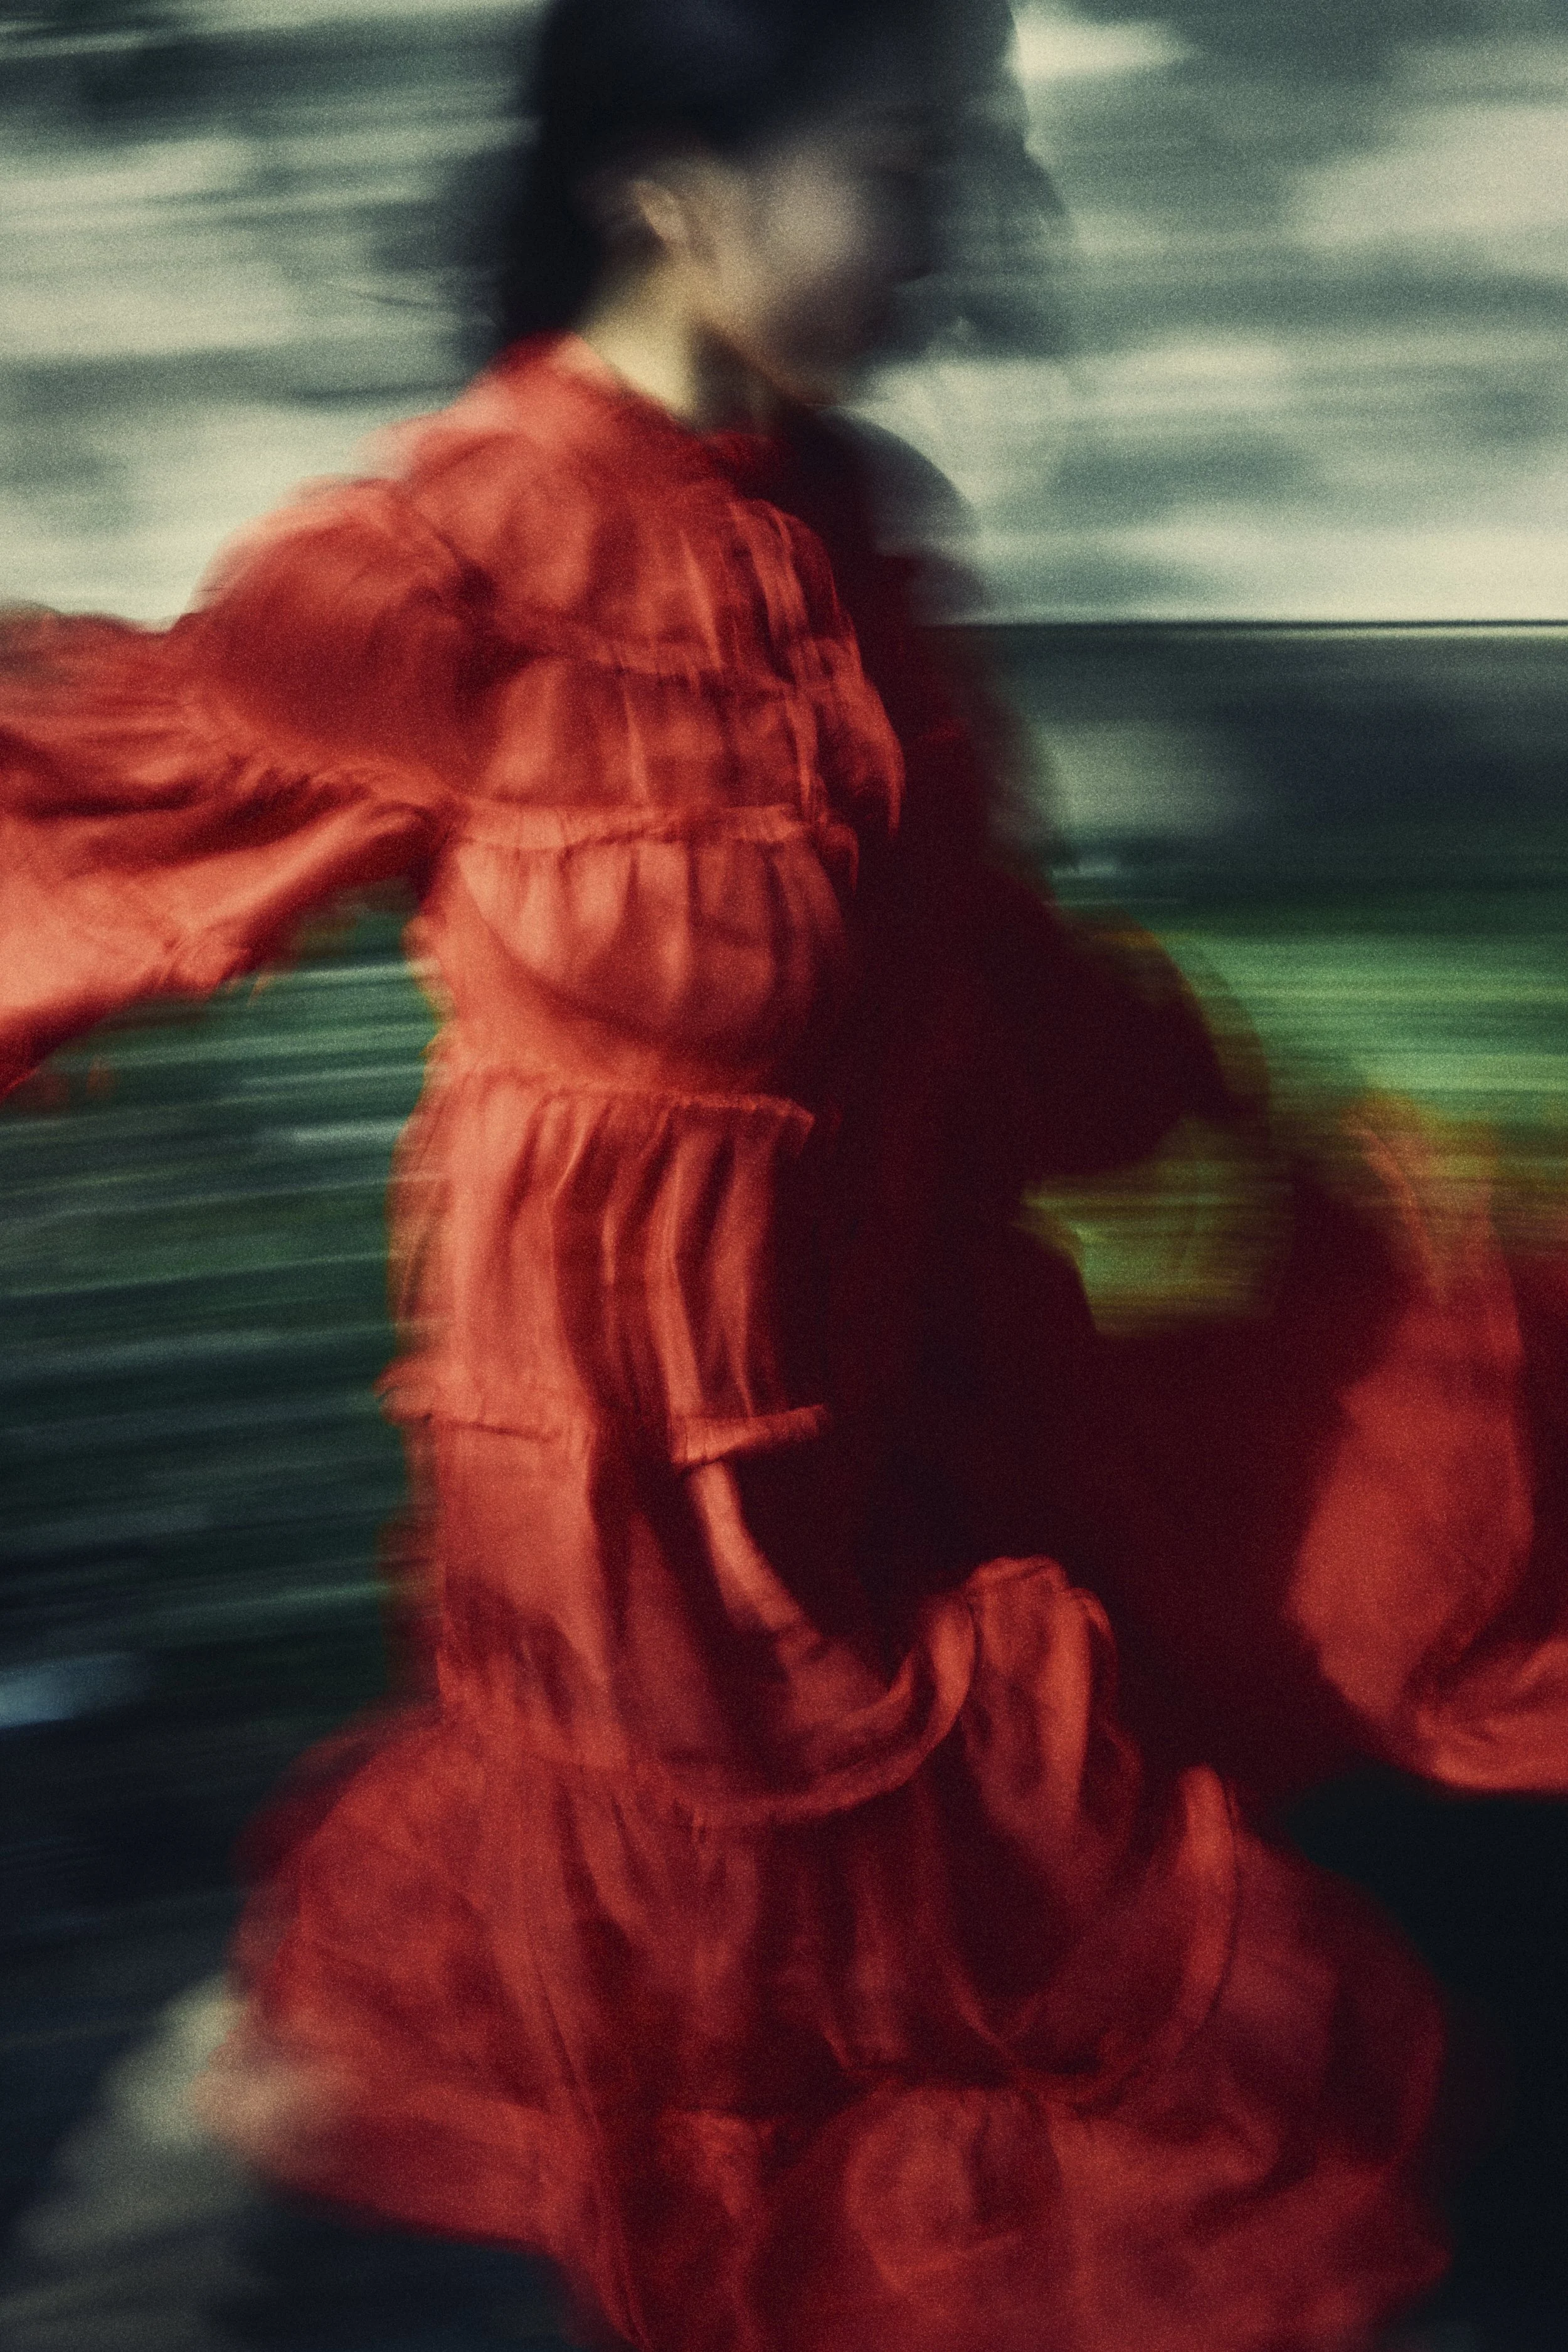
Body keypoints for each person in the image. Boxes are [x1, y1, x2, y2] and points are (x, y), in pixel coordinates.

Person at [3, 3, 1567, 2345]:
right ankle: (173, 2213)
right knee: (852, 2003)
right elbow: (112, 808)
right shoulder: (455, 552)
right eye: (917, 160)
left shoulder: (852, 536)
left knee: (856, 1994)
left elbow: (978, 962)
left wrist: (1273, 1155)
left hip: (908, 1404)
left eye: (976, 157)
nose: (965, 227)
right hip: (629, 1478)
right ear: (674, 190)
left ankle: (190, 2191)